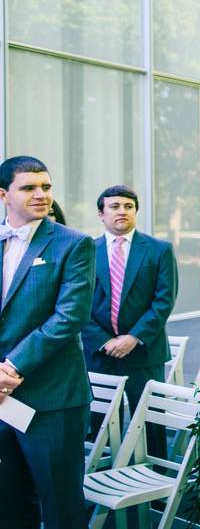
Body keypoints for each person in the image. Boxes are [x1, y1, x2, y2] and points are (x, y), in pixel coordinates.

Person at [0, 156, 96, 529]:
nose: (41, 195)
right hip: (3, 400)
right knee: (9, 502)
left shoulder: (74, 244)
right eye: (29, 188)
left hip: (53, 401)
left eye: (46, 186)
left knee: (61, 506)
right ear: (4, 194)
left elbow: (69, 318)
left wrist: (10, 367)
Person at [82, 185, 178, 458]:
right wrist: (104, 341)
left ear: (136, 211)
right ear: (101, 213)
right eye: (114, 206)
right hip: (100, 354)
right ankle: (100, 481)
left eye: (128, 206)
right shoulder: (86, 249)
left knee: (151, 423)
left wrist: (133, 337)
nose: (122, 211)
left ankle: (159, 487)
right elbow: (78, 304)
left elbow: (164, 301)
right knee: (98, 425)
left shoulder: (159, 250)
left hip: (144, 352)